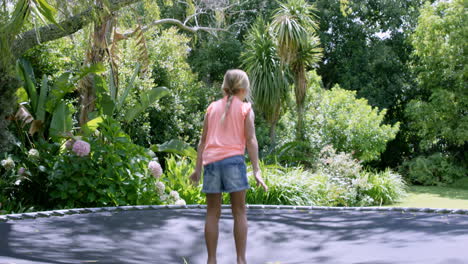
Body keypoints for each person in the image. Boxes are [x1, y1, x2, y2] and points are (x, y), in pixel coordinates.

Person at [189, 69, 268, 264]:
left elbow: (202, 141)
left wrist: (197, 169)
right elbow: (251, 140)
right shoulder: (245, 109)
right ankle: (241, 260)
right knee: (239, 211)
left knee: (212, 213)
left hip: (212, 163)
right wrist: (257, 170)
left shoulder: (211, 108)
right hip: (233, 162)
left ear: (224, 87)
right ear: (244, 88)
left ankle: (211, 260)